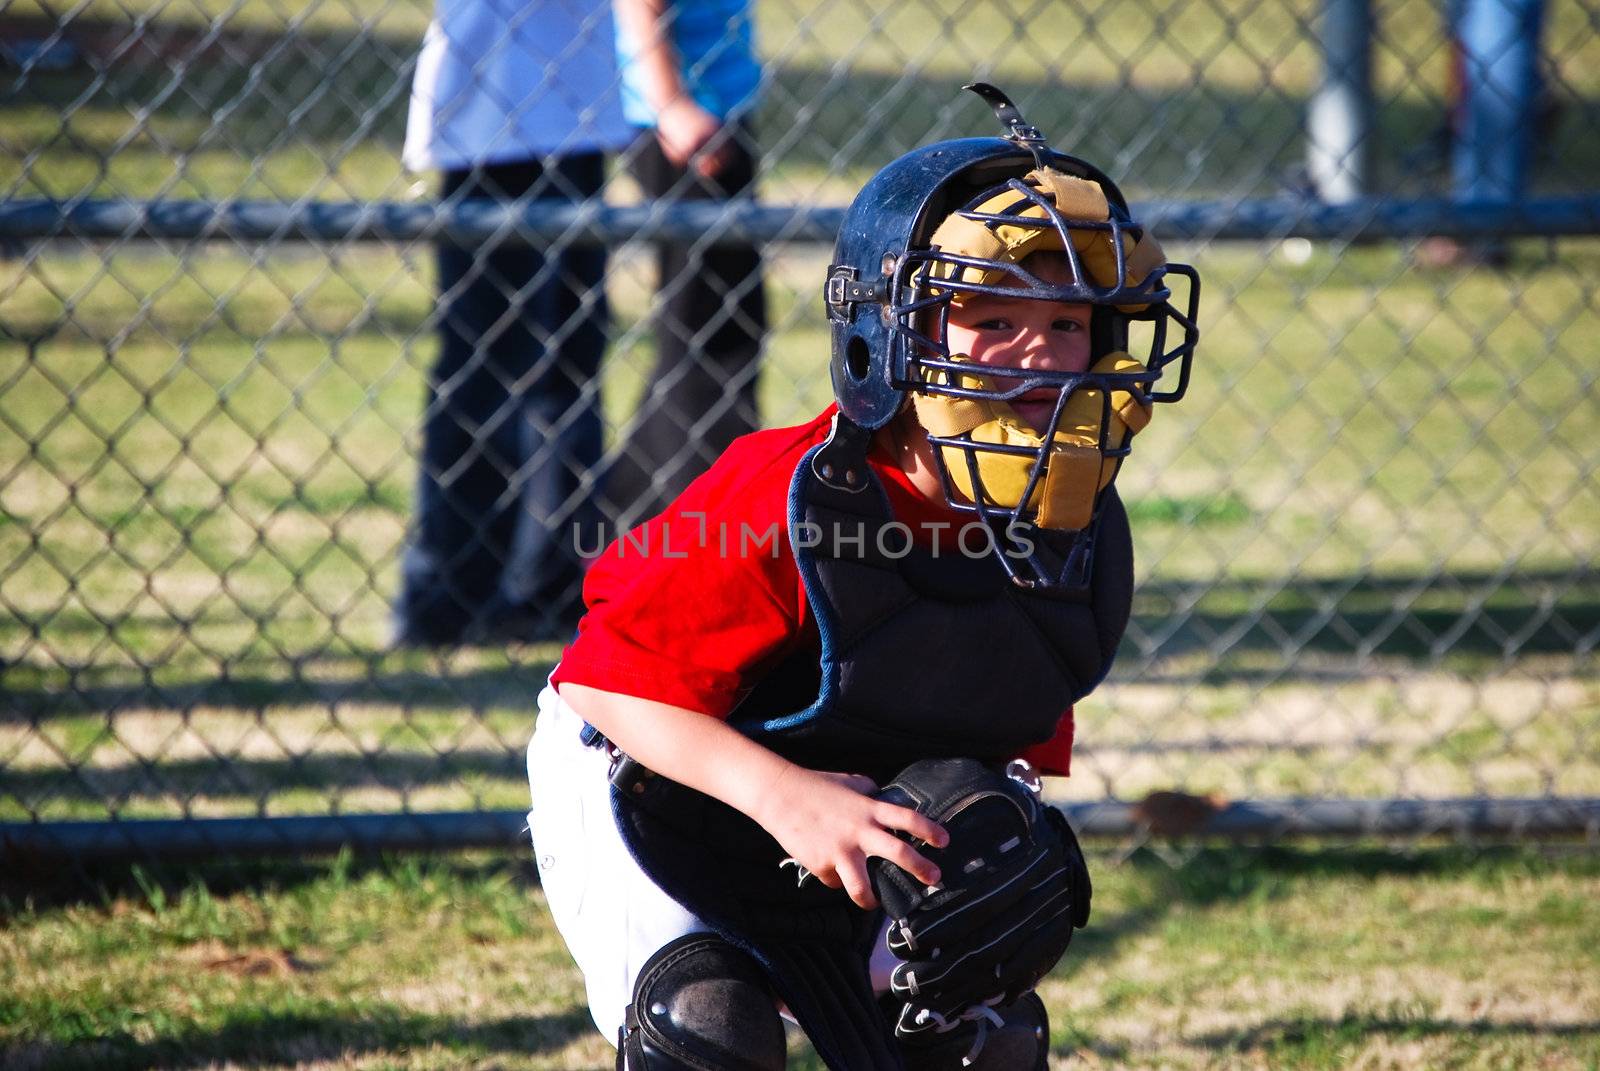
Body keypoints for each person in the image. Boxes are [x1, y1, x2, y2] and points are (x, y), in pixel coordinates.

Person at [527, 84, 1202, 1069]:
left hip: (851, 791)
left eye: (1069, 324)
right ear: (892, 328)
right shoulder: (790, 495)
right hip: (656, 775)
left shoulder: (1069, 527)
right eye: (991, 315)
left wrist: (972, 881)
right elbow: (605, 687)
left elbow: (989, 750)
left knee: (975, 1016)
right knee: (709, 1028)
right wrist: (788, 799)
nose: (1041, 358)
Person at [392, 0, 633, 647]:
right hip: (494, 120)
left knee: (568, 367)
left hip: (577, 120)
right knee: (483, 368)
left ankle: (544, 589)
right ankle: (447, 595)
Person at [605, 0, 768, 530]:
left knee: (711, 321)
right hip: (688, 128)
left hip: (716, 112)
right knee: (714, 333)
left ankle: (625, 513)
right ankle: (708, 519)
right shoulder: (683, 117)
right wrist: (672, 103)